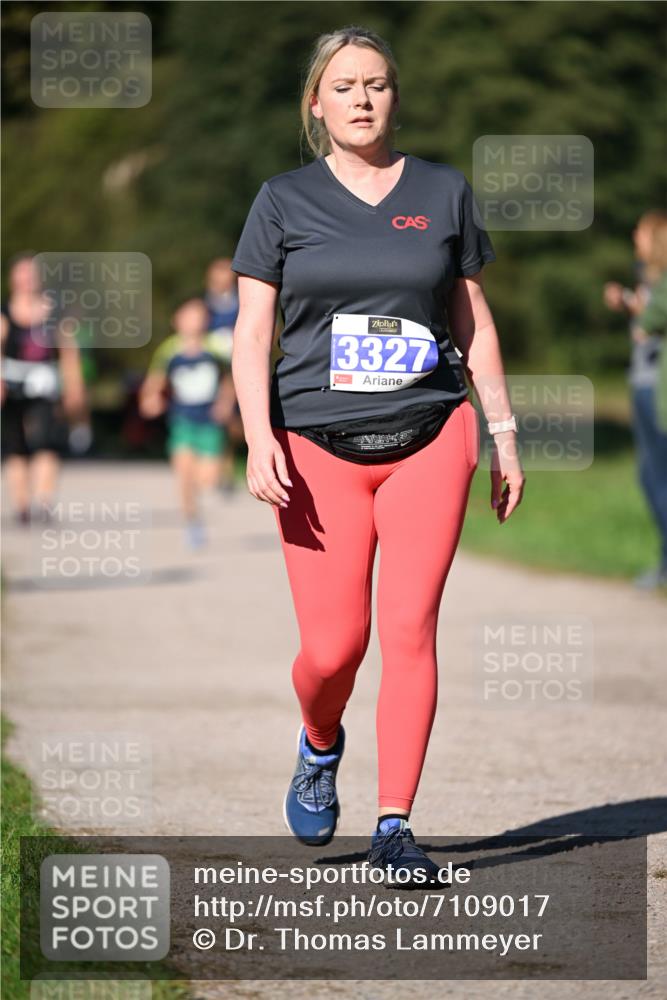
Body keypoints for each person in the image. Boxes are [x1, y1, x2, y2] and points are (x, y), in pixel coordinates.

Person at [231, 26, 524, 886]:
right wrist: (257, 435)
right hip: (315, 443)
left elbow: (472, 319)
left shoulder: (441, 191)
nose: (364, 98)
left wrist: (501, 432)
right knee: (333, 649)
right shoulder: (282, 200)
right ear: (315, 104)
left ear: (395, 97)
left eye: (379, 83)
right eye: (345, 85)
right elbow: (252, 332)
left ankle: (395, 823)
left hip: (430, 434)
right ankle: (319, 742)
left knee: (408, 631)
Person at [139, 297, 236, 549]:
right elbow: (154, 384)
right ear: (177, 320)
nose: (194, 320)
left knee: (207, 479)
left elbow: (230, 379)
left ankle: (220, 480)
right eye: (188, 315)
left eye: (199, 315)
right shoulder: (169, 350)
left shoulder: (215, 348)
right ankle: (192, 522)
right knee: (183, 475)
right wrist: (151, 401)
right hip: (181, 419)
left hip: (210, 421)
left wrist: (225, 404)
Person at [604, 211, 667, 589]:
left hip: (656, 390)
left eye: (641, 233)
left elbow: (649, 322)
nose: (635, 237)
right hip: (643, 383)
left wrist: (629, 303)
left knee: (656, 475)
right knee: (650, 475)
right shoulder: (650, 277)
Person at [1, 252, 86, 523]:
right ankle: (23, 505)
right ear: (13, 278)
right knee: (16, 446)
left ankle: (44, 501)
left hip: (46, 384)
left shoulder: (55, 312)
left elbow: (69, 352)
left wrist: (74, 386)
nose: (26, 280)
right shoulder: (5, 313)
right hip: (12, 383)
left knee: (46, 441)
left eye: (31, 274)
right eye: (21, 274)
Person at [203, 258, 242, 494]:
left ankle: (234, 463)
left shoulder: (242, 303)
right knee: (220, 421)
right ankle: (222, 469)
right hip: (210, 372)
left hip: (237, 368)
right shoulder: (203, 306)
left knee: (233, 423)